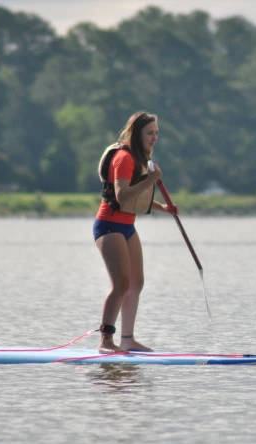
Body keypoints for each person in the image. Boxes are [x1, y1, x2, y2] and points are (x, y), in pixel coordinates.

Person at [93, 111, 177, 353]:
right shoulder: (124, 158)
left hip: (127, 227)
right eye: (150, 133)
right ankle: (106, 341)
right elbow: (121, 195)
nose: (154, 138)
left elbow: (135, 201)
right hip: (108, 226)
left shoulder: (140, 158)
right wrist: (151, 180)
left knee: (136, 283)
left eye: (156, 133)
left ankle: (128, 339)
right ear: (136, 134)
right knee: (120, 284)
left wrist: (164, 207)